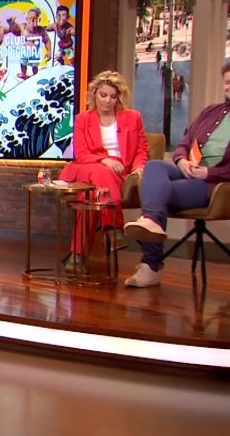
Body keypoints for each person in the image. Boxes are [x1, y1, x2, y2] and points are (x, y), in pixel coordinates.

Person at [123, 61, 230, 288]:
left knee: (159, 193)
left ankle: (150, 265)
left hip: (215, 184)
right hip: (189, 170)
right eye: (227, 82)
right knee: (154, 166)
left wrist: (209, 172)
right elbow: (184, 143)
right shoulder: (211, 111)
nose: (228, 87)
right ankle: (151, 222)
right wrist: (181, 161)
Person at [58, 71, 148, 260]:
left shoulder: (133, 117)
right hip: (87, 167)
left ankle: (77, 255)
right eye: (103, 95)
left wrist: (139, 167)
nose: (107, 101)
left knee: (89, 196)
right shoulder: (82, 119)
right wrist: (105, 160)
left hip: (118, 173)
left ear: (119, 97)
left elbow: (141, 149)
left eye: (113, 97)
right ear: (94, 94)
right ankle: (113, 227)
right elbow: (82, 154)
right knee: (99, 170)